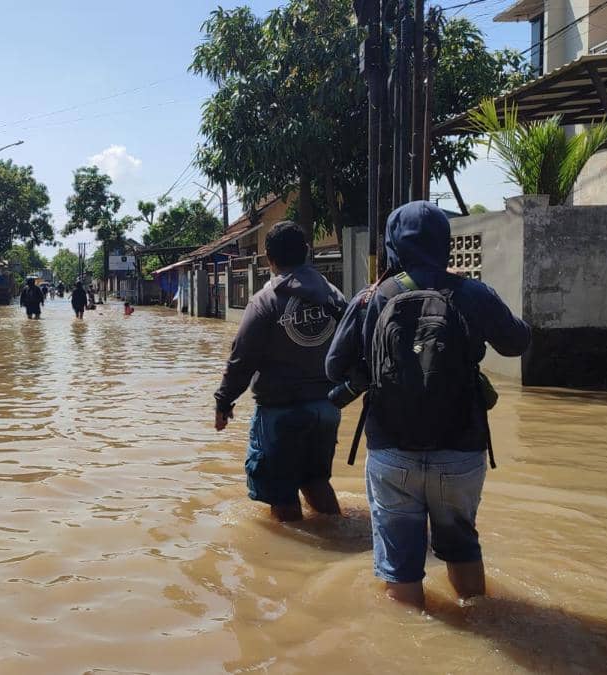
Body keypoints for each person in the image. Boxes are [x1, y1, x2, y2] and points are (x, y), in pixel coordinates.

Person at [325, 201, 531, 610]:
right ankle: (480, 619)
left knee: (400, 566)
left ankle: (409, 648)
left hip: (391, 451)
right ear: (445, 244)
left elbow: (333, 368)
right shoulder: (471, 292)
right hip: (461, 452)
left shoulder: (372, 298)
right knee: (461, 547)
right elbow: (517, 342)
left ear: (391, 246)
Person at [214, 220, 347, 523]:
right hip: (326, 409)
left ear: (269, 259)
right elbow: (354, 344)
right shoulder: (334, 296)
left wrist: (224, 402)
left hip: (280, 413)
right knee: (315, 481)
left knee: (281, 493)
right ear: (307, 252)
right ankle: (338, 533)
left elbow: (241, 359)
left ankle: (295, 561)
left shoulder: (265, 302)